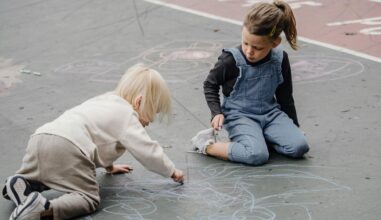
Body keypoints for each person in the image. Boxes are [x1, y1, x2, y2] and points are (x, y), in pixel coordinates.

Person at [2, 63, 185, 220]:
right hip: (68, 147)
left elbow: (99, 135)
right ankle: (43, 210)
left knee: (53, 174)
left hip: (41, 137)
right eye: (152, 112)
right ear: (138, 102)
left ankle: (23, 183)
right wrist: (170, 170)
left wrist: (110, 167)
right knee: (88, 198)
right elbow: (147, 151)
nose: (151, 120)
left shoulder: (105, 100)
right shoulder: (128, 115)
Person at [191, 0, 309, 165]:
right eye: (245, 43)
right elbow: (210, 84)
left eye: (257, 47)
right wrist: (216, 112)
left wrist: (293, 125)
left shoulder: (280, 59)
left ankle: (259, 138)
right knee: (256, 155)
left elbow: (285, 96)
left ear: (275, 43)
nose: (249, 51)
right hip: (239, 116)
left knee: (299, 147)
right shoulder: (231, 60)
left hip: (270, 114)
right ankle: (206, 144)